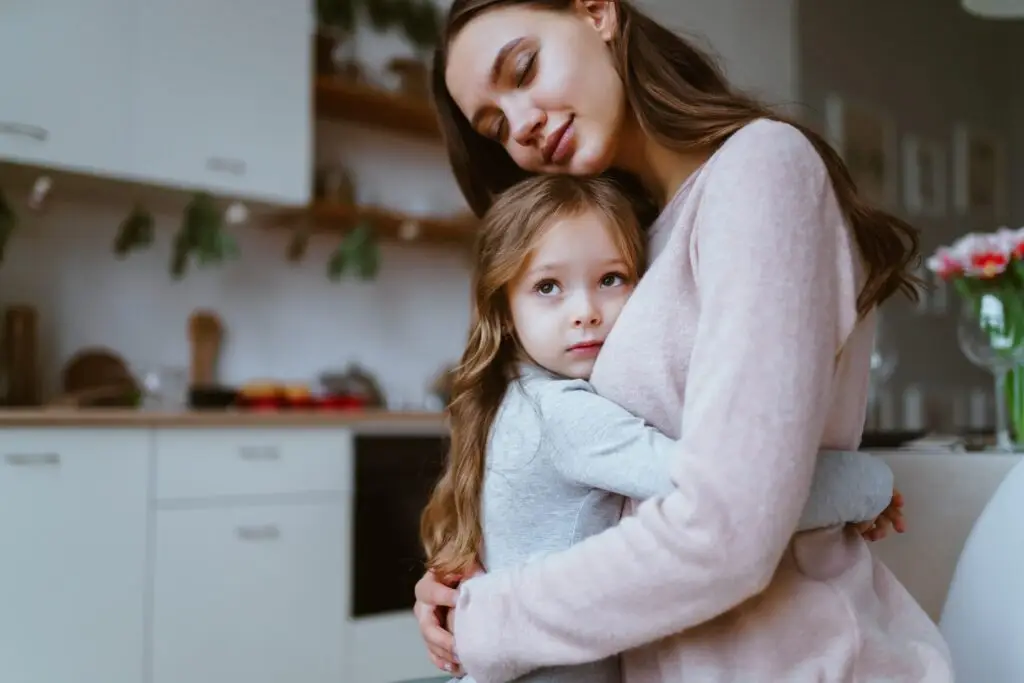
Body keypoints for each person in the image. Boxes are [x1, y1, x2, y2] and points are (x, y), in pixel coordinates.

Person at [414, 0, 955, 681]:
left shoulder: (760, 168)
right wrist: (470, 579)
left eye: (523, 68)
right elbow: (600, 490)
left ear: (596, 12)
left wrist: (495, 615)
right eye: (494, 126)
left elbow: (726, 530)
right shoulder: (630, 248)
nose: (520, 126)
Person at [419, 173, 901, 683]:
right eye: (547, 287)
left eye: (611, 279)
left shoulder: (513, 399)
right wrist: (868, 486)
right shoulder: (567, 416)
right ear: (505, 311)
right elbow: (733, 498)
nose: (585, 312)